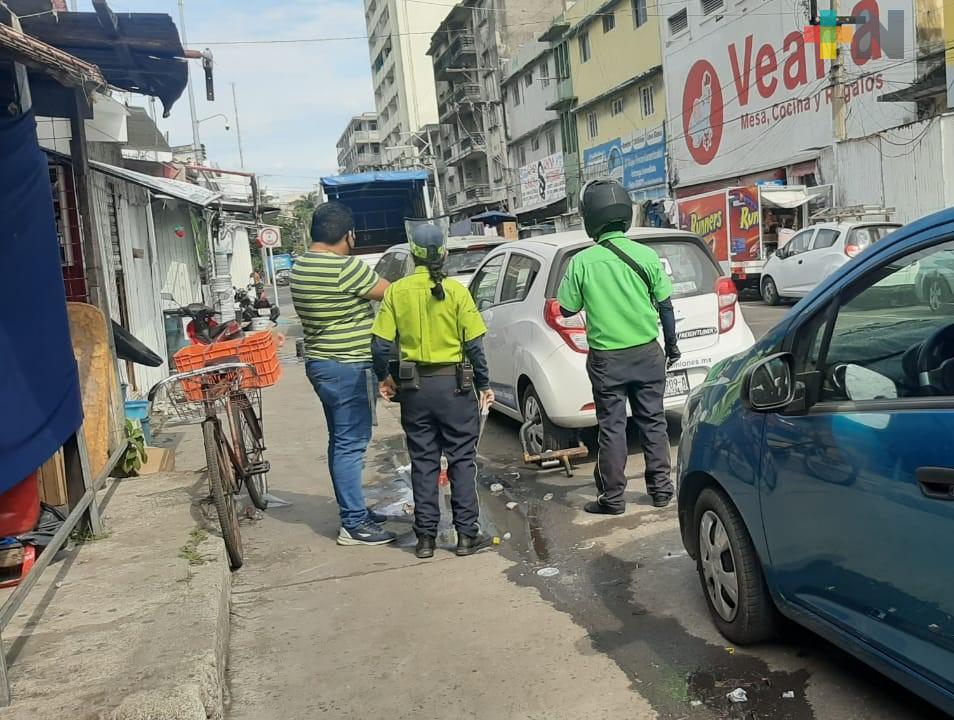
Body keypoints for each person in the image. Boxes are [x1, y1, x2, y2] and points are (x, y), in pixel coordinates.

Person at [557, 179, 680, 513]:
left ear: (590, 218)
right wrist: (672, 348)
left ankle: (613, 499)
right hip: (647, 353)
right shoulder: (647, 256)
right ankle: (661, 491)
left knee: (612, 428)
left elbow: (566, 308)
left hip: (607, 360)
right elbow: (666, 307)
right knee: (653, 422)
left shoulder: (582, 262)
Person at [371, 224, 494, 559]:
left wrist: (385, 378)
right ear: (444, 254)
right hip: (454, 388)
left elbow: (380, 345)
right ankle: (466, 535)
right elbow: (475, 346)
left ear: (413, 255)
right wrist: (483, 384)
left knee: (423, 462)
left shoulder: (397, 292)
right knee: (461, 461)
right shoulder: (457, 292)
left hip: (415, 390)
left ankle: (425, 539)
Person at [290, 202, 395, 546]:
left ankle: (356, 511)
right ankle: (353, 523)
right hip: (349, 365)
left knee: (341, 440)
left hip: (323, 363)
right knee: (351, 444)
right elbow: (391, 293)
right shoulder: (344, 268)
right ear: (349, 235)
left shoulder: (301, 265)